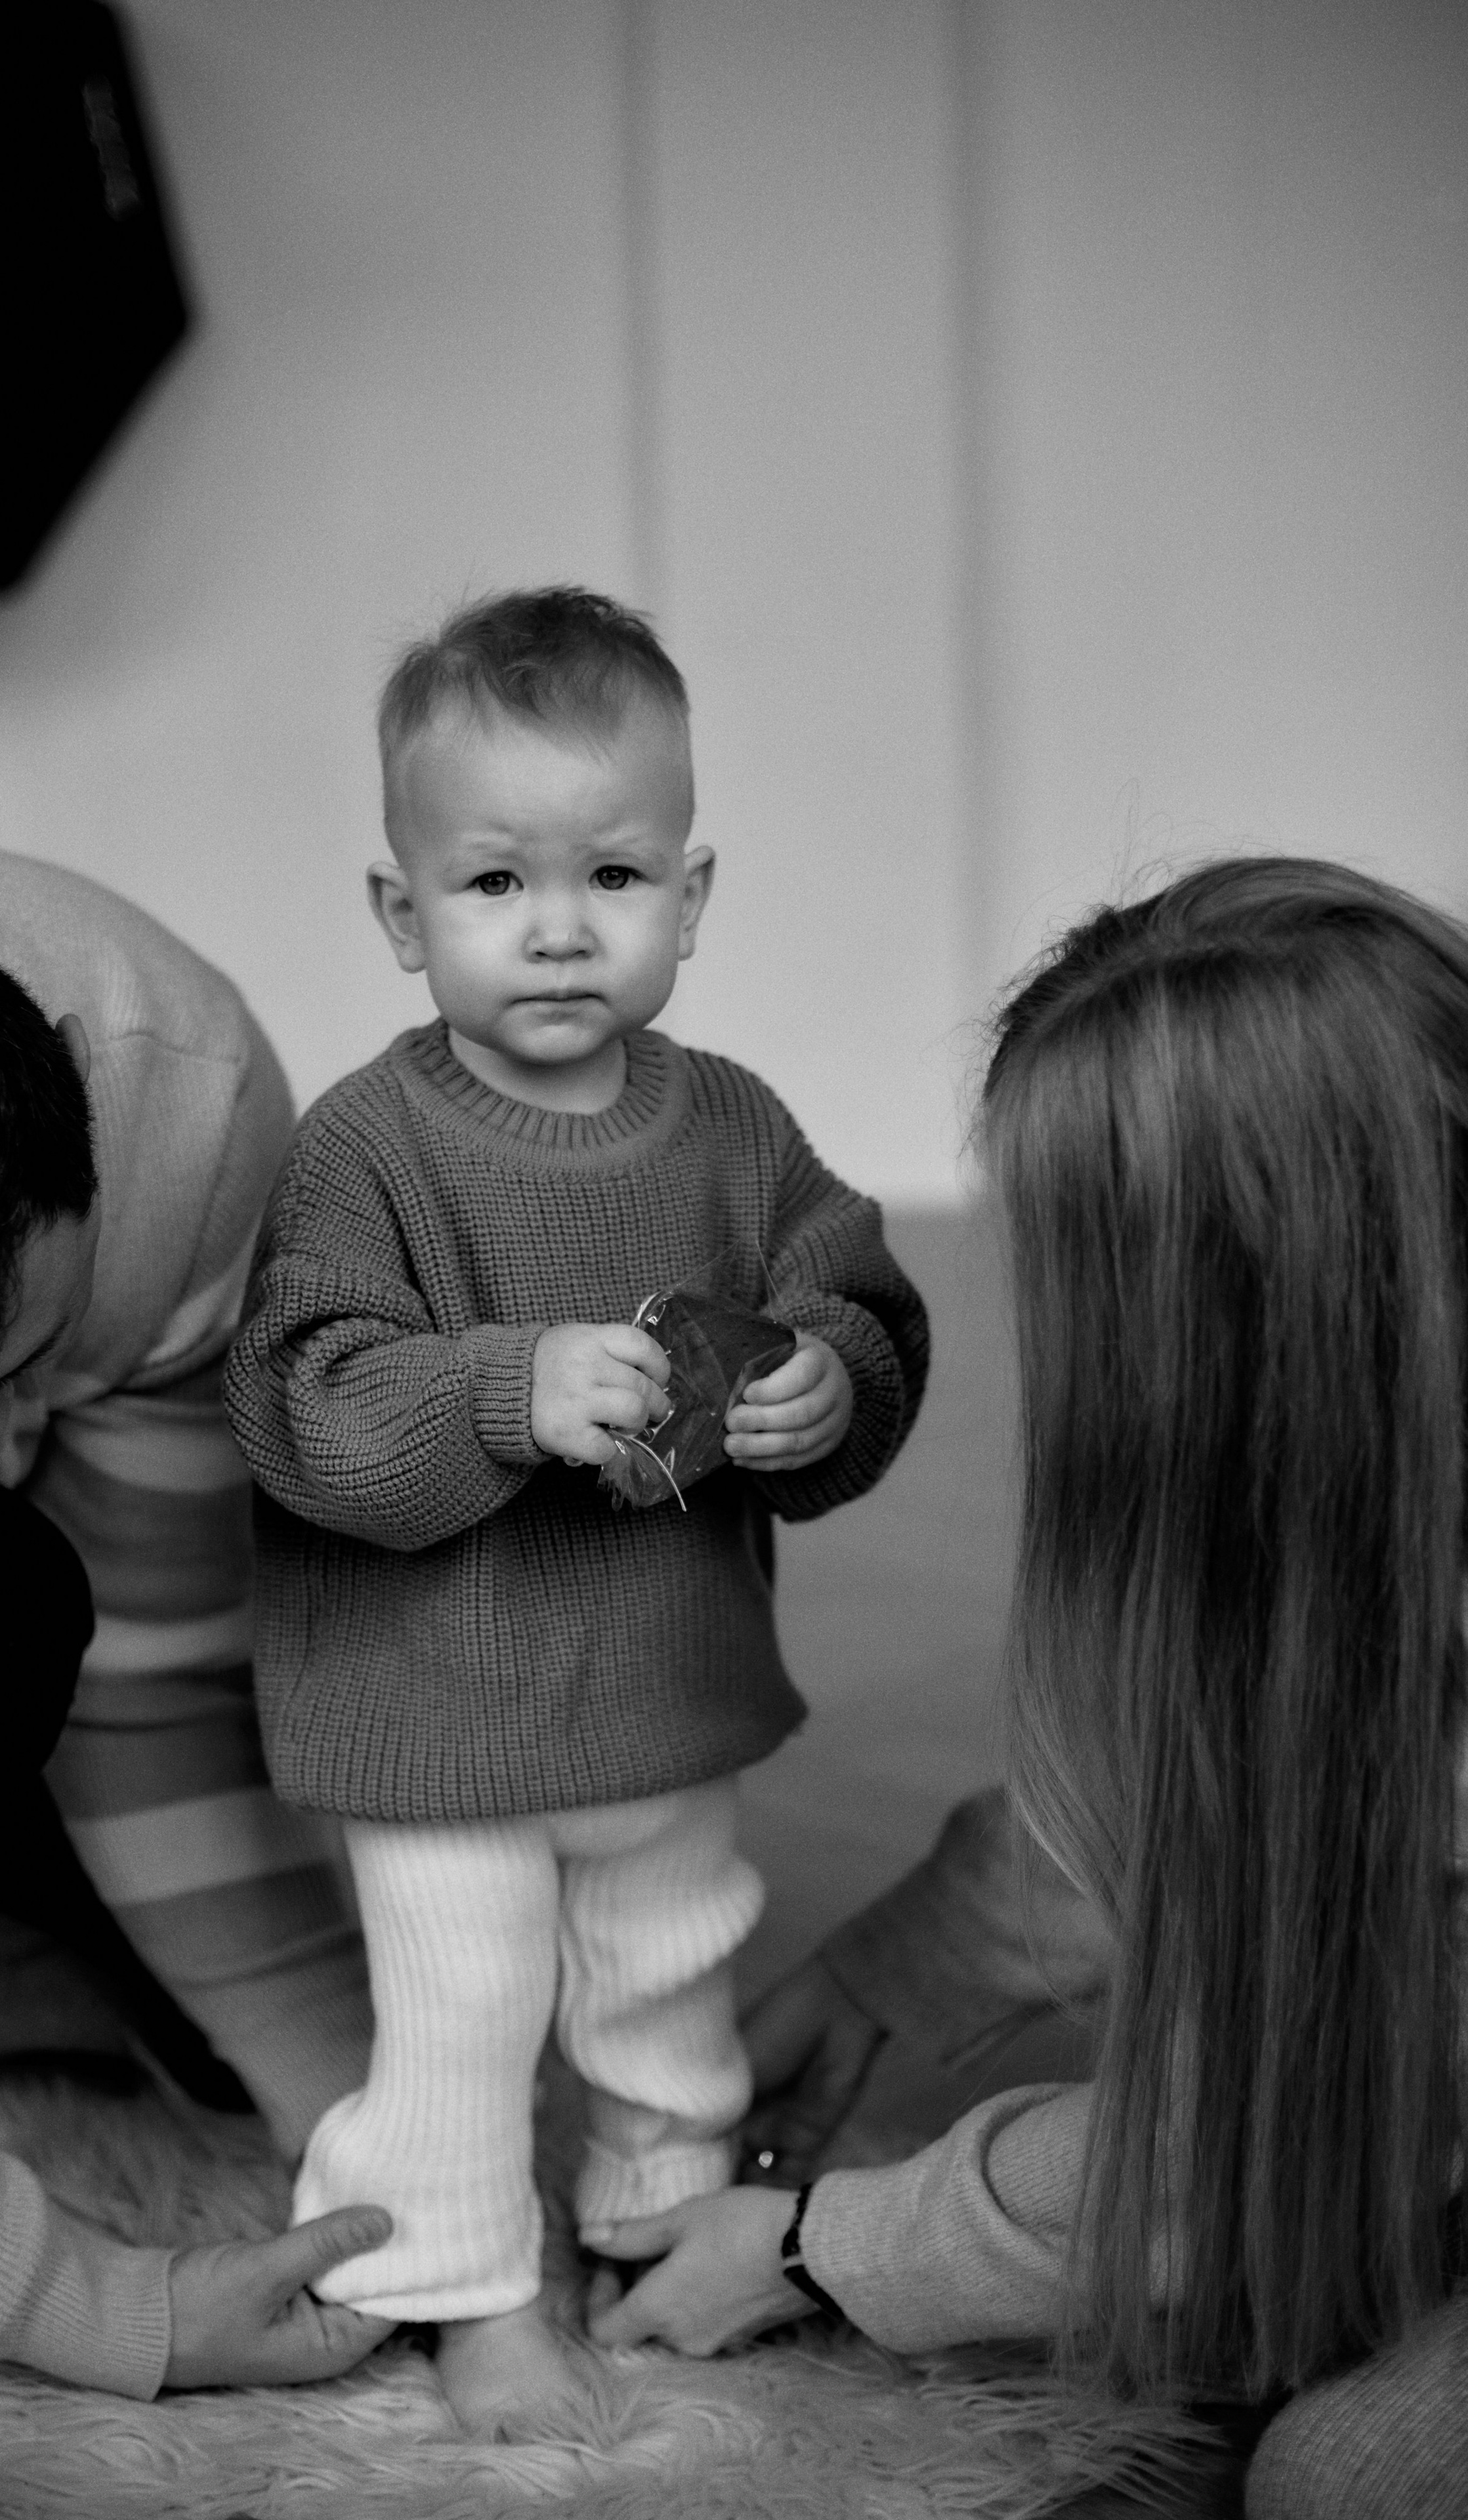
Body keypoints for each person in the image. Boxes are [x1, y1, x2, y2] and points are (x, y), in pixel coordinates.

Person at [585, 856, 1468, 2520]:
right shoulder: (1373, 1520)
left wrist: (814, 2245)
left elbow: (1240, 2167)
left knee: (1343, 2474)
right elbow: (1255, 1792)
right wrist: (882, 1970)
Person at [223, 587, 929, 2431]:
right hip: (432, 1709)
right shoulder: (364, 1151)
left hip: (663, 1682)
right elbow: (304, 1408)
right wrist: (500, 1389)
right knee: (462, 2007)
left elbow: (864, 1302)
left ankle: (659, 2207)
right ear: (400, 913)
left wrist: (827, 1378)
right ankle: (464, 2284)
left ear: (692, 901)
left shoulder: (740, 1129)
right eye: (493, 885)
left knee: (668, 1972)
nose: (557, 929)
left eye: (614, 877)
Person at [0, 796, 391, 2395]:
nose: (0, 1441)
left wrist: (368, 2124)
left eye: (31, 1365)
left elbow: (158, 1668)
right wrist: (114, 2309)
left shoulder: (176, 1111)